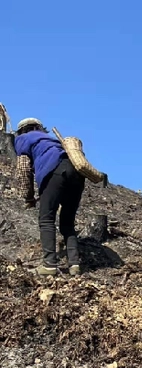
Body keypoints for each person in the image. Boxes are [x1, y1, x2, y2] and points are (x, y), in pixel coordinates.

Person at [14, 118, 85, 276]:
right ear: (39, 127)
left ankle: (49, 265)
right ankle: (74, 265)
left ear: (21, 131)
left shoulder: (23, 139)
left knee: (46, 219)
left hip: (53, 171)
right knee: (67, 223)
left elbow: (23, 169)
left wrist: (28, 198)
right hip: (77, 174)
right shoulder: (50, 140)